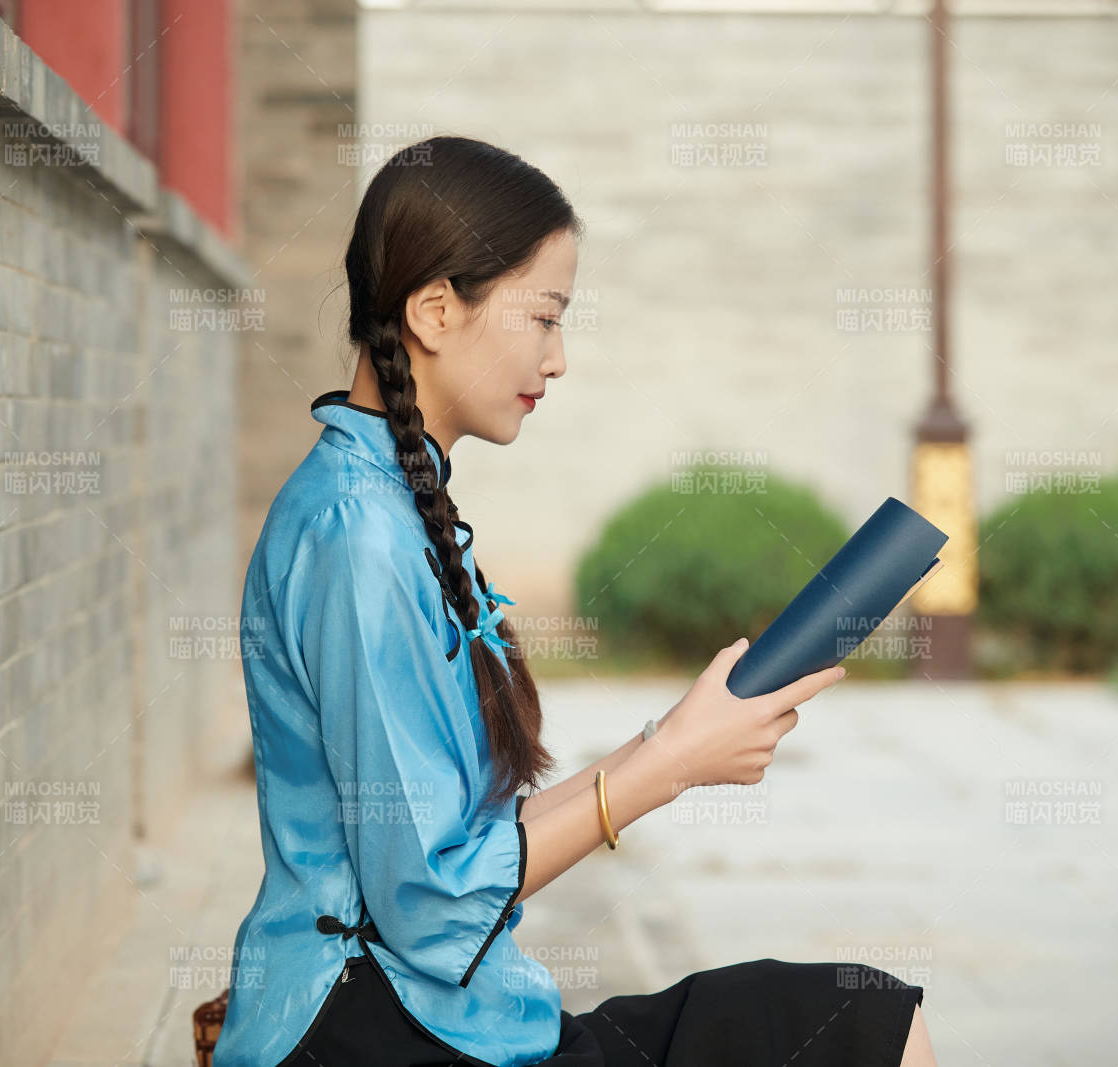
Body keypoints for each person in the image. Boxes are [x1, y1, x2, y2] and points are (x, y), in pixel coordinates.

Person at [212, 135, 936, 1067]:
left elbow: (449, 854)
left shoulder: (392, 504)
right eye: (544, 317)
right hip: (367, 1030)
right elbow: (427, 907)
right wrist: (667, 763)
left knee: (861, 1013)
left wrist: (671, 741)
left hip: (448, 1014)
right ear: (434, 309)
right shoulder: (358, 533)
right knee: (852, 1025)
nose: (558, 359)